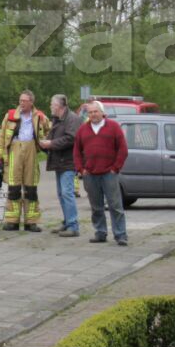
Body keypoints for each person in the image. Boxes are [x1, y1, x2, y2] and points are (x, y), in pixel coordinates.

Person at [73, 100, 130, 245]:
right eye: (90, 112)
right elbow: (76, 152)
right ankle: (100, 232)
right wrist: (81, 169)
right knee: (96, 206)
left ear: (102, 112)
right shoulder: (83, 130)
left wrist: (115, 168)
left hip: (109, 173)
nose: (93, 114)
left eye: (95, 111)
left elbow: (122, 150)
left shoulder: (114, 127)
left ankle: (120, 234)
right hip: (90, 174)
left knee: (115, 205)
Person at [0, 90, 51, 232]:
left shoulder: (39, 116)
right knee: (13, 186)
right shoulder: (10, 115)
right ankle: (12, 221)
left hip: (31, 148)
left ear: (31, 102)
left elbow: (50, 130)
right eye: (20, 100)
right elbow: (1, 136)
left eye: (24, 101)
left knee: (31, 187)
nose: (21, 103)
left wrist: (45, 139)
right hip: (14, 149)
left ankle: (31, 222)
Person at [41, 93, 83, 237]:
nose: (50, 107)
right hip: (59, 162)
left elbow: (71, 138)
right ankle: (67, 222)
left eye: (52, 105)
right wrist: (44, 143)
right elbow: (54, 137)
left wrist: (51, 144)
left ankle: (73, 225)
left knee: (67, 193)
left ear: (59, 106)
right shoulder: (57, 119)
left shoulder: (73, 119)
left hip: (69, 162)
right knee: (61, 194)